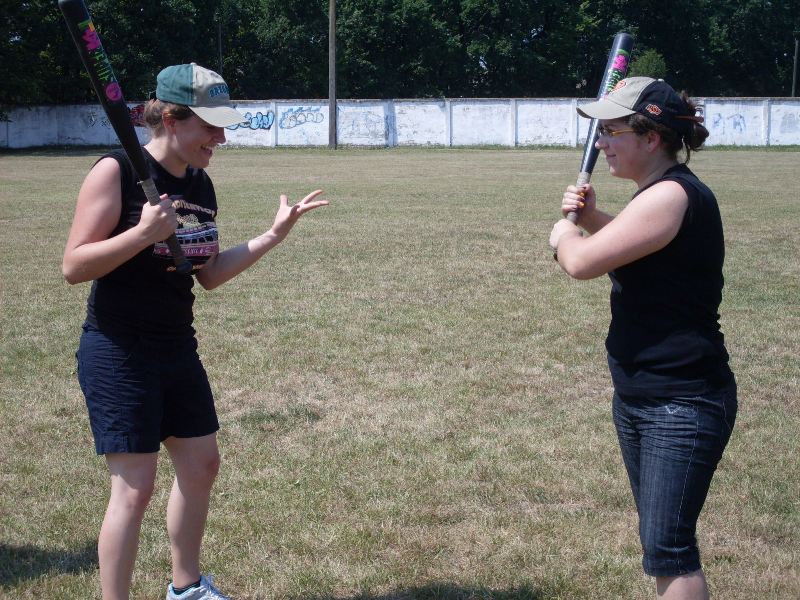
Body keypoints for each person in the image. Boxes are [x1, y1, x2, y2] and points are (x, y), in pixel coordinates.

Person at [63, 63, 328, 600]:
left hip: (176, 345)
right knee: (134, 489)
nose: (221, 139)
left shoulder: (199, 183)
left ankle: (185, 589)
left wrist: (271, 236)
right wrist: (141, 235)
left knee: (202, 465)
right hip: (119, 349)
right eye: (210, 126)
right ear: (171, 119)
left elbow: (205, 274)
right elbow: (75, 265)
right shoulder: (116, 171)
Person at [548, 77, 737, 600]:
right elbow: (643, 250)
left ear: (651, 137)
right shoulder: (657, 195)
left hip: (681, 400)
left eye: (612, 132)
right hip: (644, 393)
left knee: (669, 551)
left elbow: (582, 263)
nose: (602, 143)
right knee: (661, 546)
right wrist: (593, 218)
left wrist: (567, 236)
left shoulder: (672, 194)